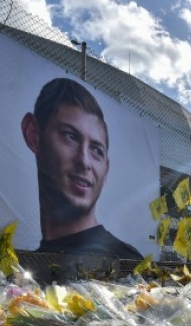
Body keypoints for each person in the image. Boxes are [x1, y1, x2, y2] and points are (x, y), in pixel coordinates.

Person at [22, 78, 143, 260]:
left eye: (96, 150)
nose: (84, 161)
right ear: (33, 135)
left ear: (106, 170)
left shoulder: (125, 260)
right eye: (70, 136)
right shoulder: (23, 266)